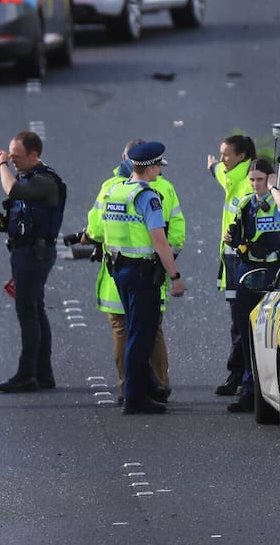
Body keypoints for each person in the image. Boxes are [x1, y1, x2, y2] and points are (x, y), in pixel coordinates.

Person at [81, 140, 185, 402]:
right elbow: (164, 240)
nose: (160, 170)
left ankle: (132, 388)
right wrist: (174, 275)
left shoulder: (113, 191)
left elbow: (96, 230)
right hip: (145, 273)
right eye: (158, 166)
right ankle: (142, 393)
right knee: (144, 334)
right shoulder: (149, 195)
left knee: (126, 332)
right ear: (150, 167)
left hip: (117, 272)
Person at [0, 131, 67, 394]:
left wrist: (2, 164)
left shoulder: (46, 181)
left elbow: (12, 189)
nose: (12, 161)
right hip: (26, 251)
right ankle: (42, 374)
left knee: (28, 312)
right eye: (10, 157)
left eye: (17, 157)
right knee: (35, 310)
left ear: (34, 155)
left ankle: (27, 374)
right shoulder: (32, 177)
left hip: (34, 255)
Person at [223, 159, 280, 412]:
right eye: (252, 180)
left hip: (272, 273)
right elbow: (236, 235)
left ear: (270, 179)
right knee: (247, 332)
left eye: (260, 179)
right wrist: (233, 238)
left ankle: (271, 392)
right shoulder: (246, 203)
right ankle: (250, 391)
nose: (255, 184)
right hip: (247, 270)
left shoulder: (279, 202)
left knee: (270, 336)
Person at [206, 133, 255, 398]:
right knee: (236, 322)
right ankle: (238, 373)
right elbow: (219, 174)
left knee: (241, 321)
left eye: (226, 154)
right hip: (231, 261)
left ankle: (241, 375)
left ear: (242, 157)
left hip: (244, 262)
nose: (223, 159)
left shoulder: (250, 184)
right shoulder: (231, 175)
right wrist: (213, 166)